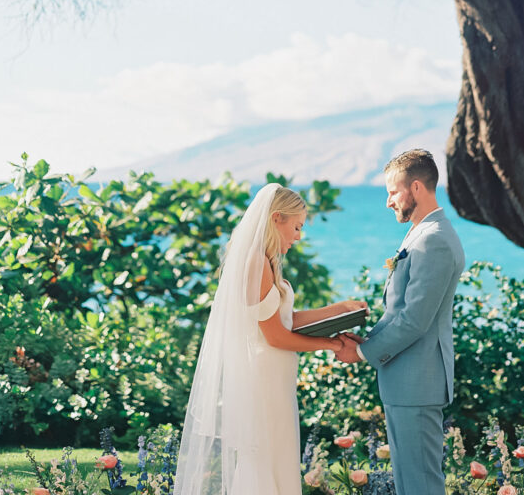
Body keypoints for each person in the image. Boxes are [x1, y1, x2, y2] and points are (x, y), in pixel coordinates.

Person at [173, 182, 366, 495]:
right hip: (265, 380)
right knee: (265, 459)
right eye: (297, 226)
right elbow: (276, 336)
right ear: (277, 218)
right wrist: (331, 344)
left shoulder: (263, 261)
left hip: (274, 378)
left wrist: (338, 309)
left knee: (275, 457)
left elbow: (284, 319)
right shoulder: (257, 264)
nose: (299, 236)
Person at [336, 149, 465, 495]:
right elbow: (399, 312)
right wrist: (365, 342)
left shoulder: (434, 239)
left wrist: (363, 355)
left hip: (417, 382)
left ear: (418, 187)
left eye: (393, 192)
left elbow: (415, 320)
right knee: (410, 483)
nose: (388, 202)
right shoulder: (421, 233)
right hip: (406, 381)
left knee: (421, 483)